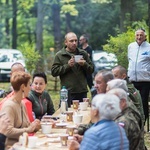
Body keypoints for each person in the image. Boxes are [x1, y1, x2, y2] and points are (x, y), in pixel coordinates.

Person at [51, 32, 94, 105]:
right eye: (71, 41)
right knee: (65, 113)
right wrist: (67, 65)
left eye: (76, 41)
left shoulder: (83, 53)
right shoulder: (60, 55)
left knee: (81, 113)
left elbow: (91, 69)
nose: (74, 43)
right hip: (67, 91)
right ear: (66, 42)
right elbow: (54, 72)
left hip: (81, 91)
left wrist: (84, 64)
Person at [1, 71, 40, 149]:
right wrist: (28, 129)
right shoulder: (9, 106)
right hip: (12, 147)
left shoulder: (22, 103)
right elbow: (7, 131)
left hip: (23, 144)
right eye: (29, 85)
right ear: (23, 87)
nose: (31, 88)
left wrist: (35, 125)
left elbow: (27, 125)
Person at [127, 29, 150, 122]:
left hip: (145, 80)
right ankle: (134, 120)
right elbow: (130, 60)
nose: (139, 37)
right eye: (137, 35)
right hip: (132, 80)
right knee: (132, 101)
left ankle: (143, 121)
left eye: (141, 35)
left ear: (145, 36)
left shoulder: (149, 47)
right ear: (135, 36)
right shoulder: (131, 46)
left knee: (143, 102)